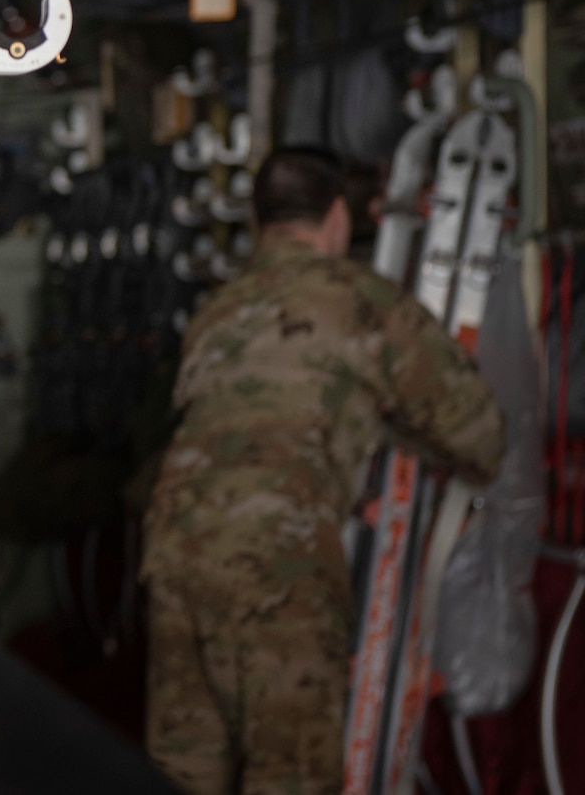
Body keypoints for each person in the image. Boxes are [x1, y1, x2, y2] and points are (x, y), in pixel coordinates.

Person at [141, 146, 505, 795]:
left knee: (184, 767)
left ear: (258, 222)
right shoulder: (361, 299)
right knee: (290, 773)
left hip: (172, 552)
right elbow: (480, 434)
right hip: (275, 562)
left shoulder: (218, 310)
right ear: (338, 215)